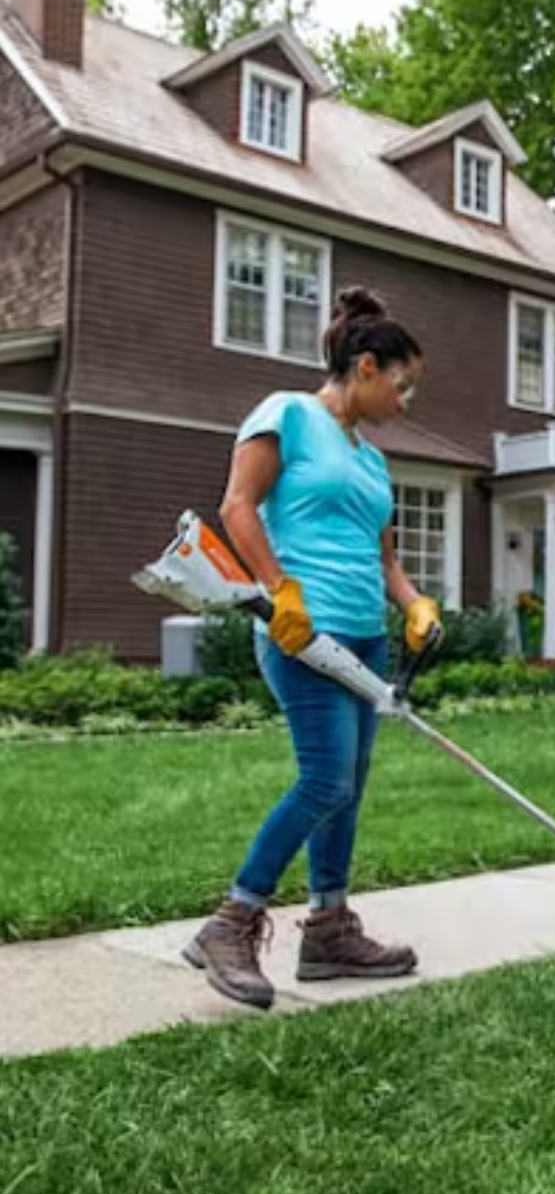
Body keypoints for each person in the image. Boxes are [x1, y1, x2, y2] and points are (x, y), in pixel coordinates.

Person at [183, 286, 444, 1011]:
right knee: (325, 779)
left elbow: (384, 558)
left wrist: (415, 604)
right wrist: (279, 591)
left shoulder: (371, 463)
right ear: (366, 366)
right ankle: (230, 924)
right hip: (303, 633)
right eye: (402, 383)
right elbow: (236, 506)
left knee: (348, 788)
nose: (406, 399)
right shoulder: (286, 414)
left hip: (363, 636)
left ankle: (328, 928)